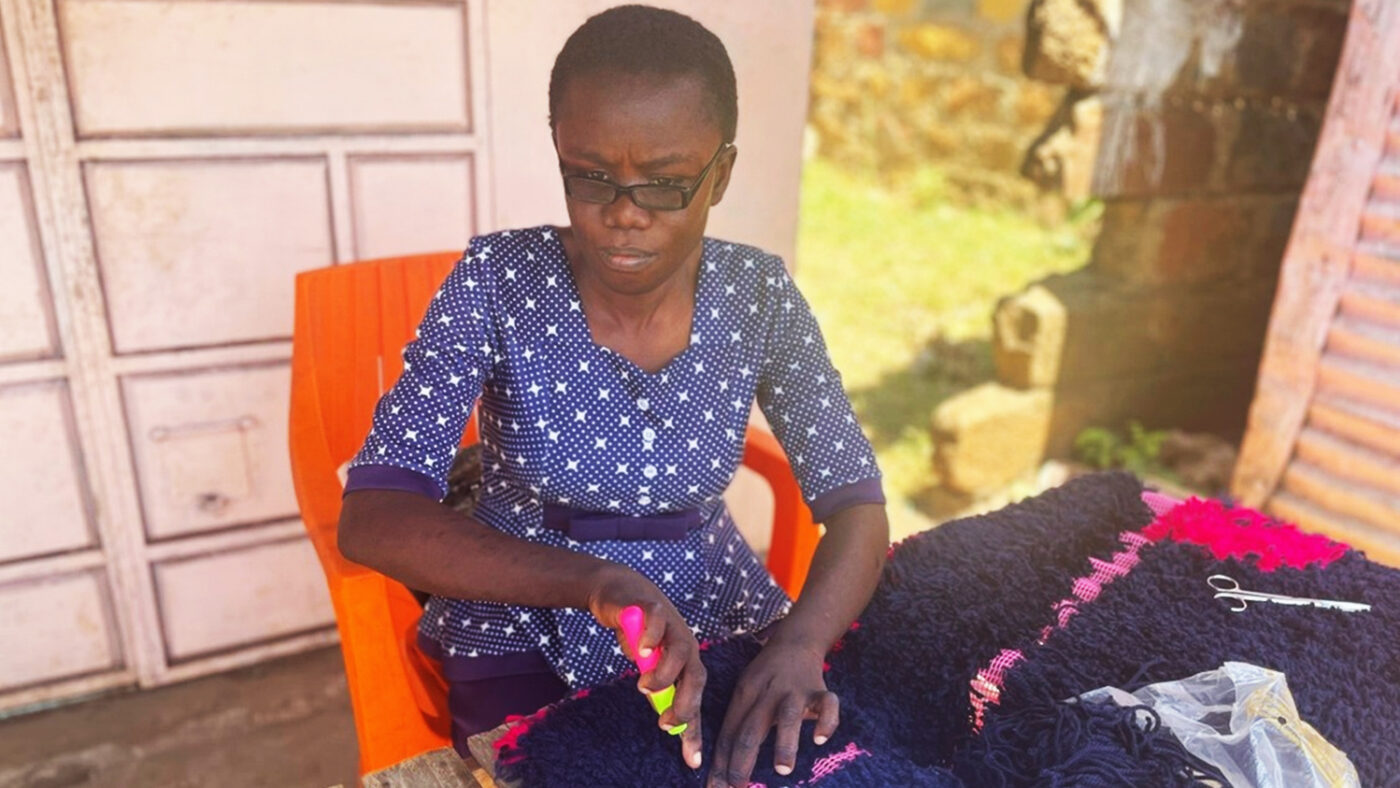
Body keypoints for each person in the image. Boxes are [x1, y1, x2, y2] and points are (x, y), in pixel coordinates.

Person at [337, 6, 889, 786]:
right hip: (522, 617)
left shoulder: (759, 295)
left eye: (665, 185)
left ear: (720, 174)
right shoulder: (497, 280)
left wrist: (800, 643)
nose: (624, 215)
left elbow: (858, 506)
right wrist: (595, 584)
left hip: (712, 594)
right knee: (565, 768)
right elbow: (372, 517)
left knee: (816, 761)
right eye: (591, 175)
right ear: (560, 148)